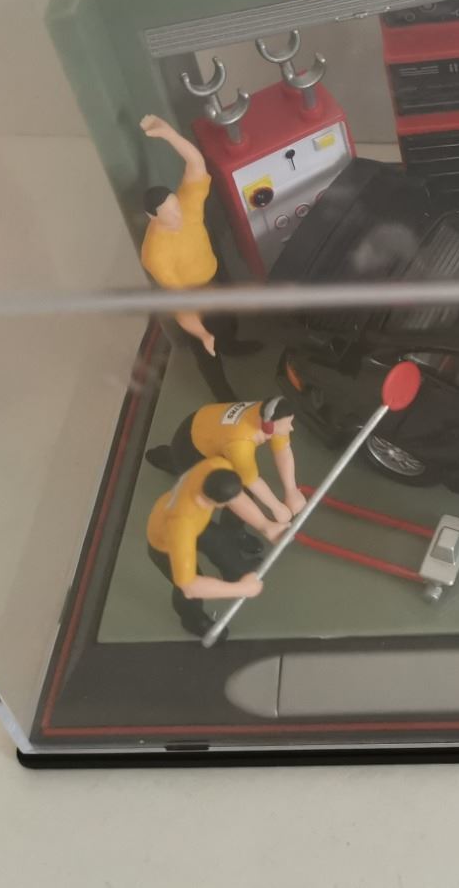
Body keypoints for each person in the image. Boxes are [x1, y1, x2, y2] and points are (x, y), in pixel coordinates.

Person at [138, 113, 256, 401]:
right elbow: (181, 307)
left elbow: (196, 164)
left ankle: (231, 344)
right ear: (152, 218)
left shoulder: (186, 206)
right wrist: (202, 333)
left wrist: (169, 134)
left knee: (227, 321)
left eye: (176, 207)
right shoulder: (155, 254)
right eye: (169, 214)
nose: (178, 216)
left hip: (214, 274)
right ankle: (222, 393)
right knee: (207, 351)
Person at [145, 458, 288, 638]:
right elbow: (190, 586)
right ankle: (193, 620)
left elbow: (236, 498)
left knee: (221, 542)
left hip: (198, 522)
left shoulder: (216, 467)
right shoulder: (181, 524)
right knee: (187, 588)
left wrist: (266, 526)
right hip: (165, 543)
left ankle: (236, 573)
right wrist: (242, 589)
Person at [145, 396, 307, 522]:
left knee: (183, 459)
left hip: (206, 426)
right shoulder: (241, 442)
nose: (291, 428)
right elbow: (251, 480)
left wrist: (291, 491)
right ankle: (232, 531)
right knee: (234, 488)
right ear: (268, 427)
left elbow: (283, 450)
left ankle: (168, 457)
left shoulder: (268, 413)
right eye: (288, 424)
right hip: (191, 449)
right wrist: (277, 508)